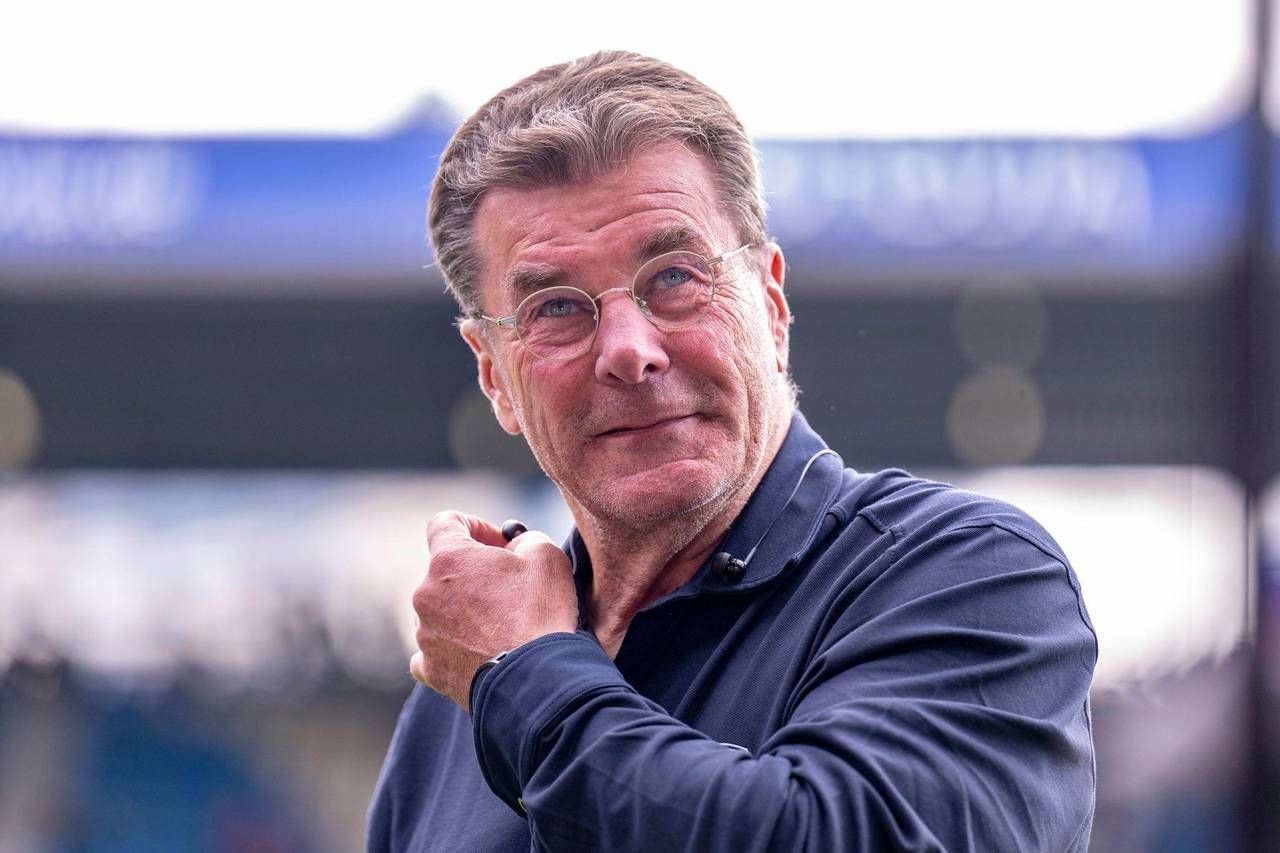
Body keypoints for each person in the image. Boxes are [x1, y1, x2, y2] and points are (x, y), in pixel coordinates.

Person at [368, 50, 1096, 852]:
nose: (629, 349)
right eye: (557, 309)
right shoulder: (455, 696)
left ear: (772, 304)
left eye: (674, 277)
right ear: (494, 377)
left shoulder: (973, 575)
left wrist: (527, 679)